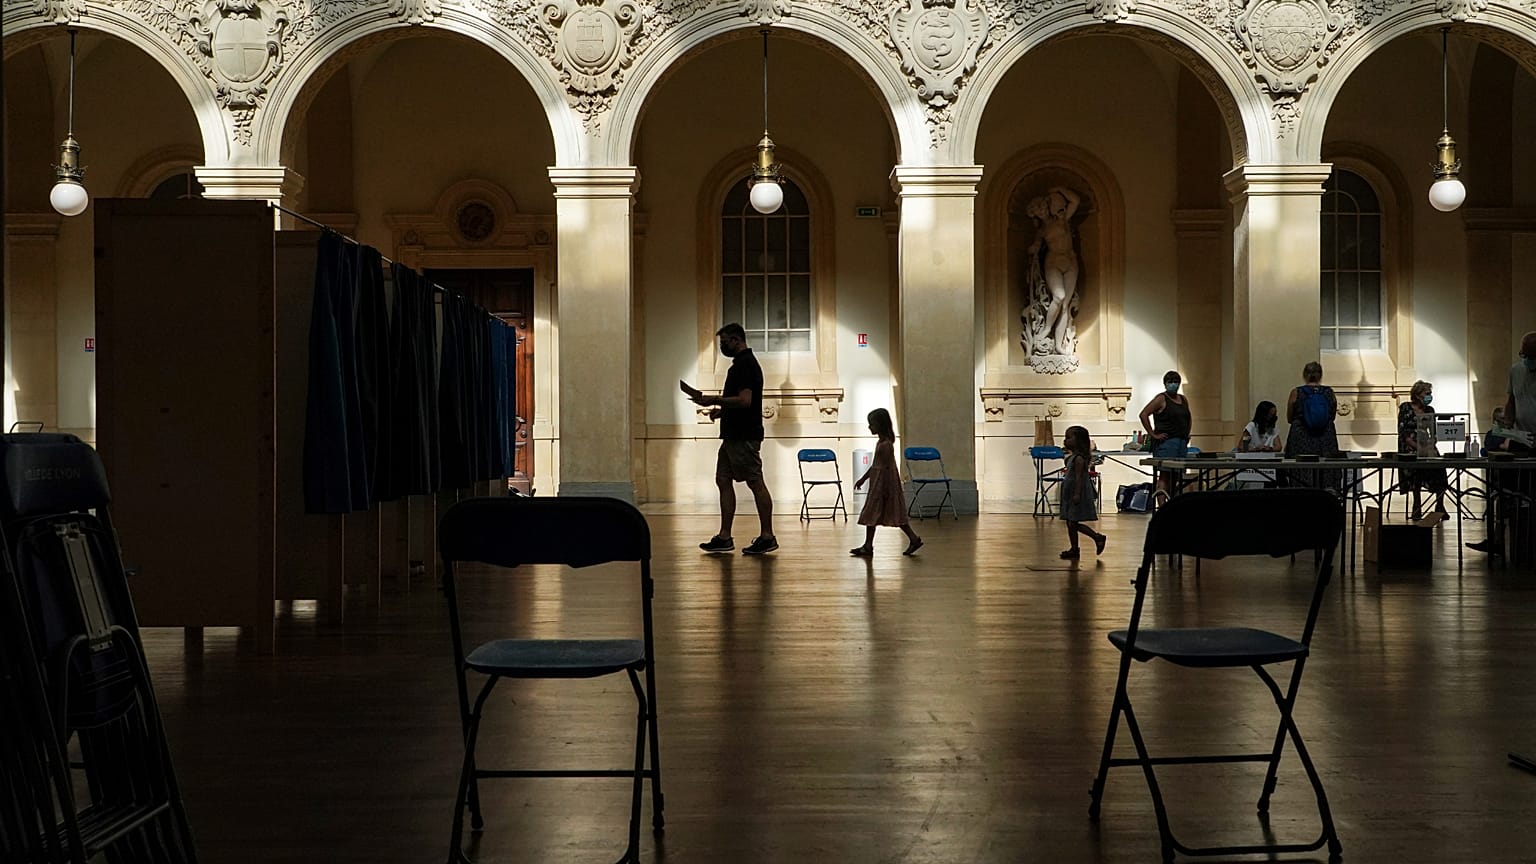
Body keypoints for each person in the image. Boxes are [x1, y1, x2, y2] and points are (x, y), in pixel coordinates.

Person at [681, 324, 777, 555]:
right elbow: (743, 402)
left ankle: (767, 536)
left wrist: (714, 400)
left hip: (744, 436)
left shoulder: (744, 366)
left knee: (755, 482)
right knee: (723, 480)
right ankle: (724, 536)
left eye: (724, 342)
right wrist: (722, 411)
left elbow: (745, 401)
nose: (722, 346)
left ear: (736, 340)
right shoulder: (741, 365)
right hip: (733, 436)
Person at [848, 408, 923, 557]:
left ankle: (913, 538)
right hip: (878, 484)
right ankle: (868, 544)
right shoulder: (881, 443)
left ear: (880, 425)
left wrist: (885, 488)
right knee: (873, 514)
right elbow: (876, 465)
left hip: (883, 485)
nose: (870, 427)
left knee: (886, 513)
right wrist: (864, 478)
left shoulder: (886, 445)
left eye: (872, 424)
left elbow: (886, 468)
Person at [1022, 187, 1082, 358]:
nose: (1041, 213)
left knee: (1064, 306)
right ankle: (1047, 328)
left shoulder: (1062, 220)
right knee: (1059, 296)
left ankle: (1058, 345)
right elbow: (1036, 245)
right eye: (1036, 212)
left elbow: (1075, 200)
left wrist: (1058, 189)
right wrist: (1033, 249)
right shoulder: (1041, 231)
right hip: (1053, 262)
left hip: (1070, 261)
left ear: (1047, 206)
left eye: (1041, 208)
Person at [1284, 361, 1341, 491]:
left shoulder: (1296, 392)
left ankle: (1302, 498)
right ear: (1320, 375)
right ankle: (1326, 497)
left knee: (1301, 469)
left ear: (1304, 375)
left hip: (1301, 437)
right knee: (1326, 469)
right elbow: (1332, 416)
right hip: (1325, 438)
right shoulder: (1329, 392)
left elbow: (1289, 418)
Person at [1397, 380, 1448, 521]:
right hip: (1410, 447)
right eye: (1427, 393)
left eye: (1430, 394)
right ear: (1418, 395)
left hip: (1426, 446)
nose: (1430, 396)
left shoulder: (1430, 410)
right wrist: (1416, 446)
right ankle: (1417, 505)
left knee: (1440, 467)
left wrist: (1431, 443)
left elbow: (1433, 432)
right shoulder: (1406, 408)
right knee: (1416, 469)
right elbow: (1403, 433)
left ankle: (1440, 505)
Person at [1138, 370, 1191, 504]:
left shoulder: (1183, 399)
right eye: (1170, 382)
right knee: (1164, 475)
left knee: (1176, 475)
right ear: (1165, 383)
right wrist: (1152, 434)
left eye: (1176, 381)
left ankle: (1172, 503)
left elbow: (1188, 417)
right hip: (1166, 442)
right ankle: (1162, 505)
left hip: (1181, 441)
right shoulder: (1161, 398)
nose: (1173, 384)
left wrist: (1186, 434)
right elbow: (1144, 414)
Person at [1058, 425, 1106, 560]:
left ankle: (1097, 537)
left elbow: (1079, 477)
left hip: (1075, 492)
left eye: (1069, 437)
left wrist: (1077, 493)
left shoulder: (1079, 459)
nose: (1065, 440)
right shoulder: (1073, 457)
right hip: (1070, 492)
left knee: (1073, 522)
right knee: (1070, 522)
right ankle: (1074, 548)